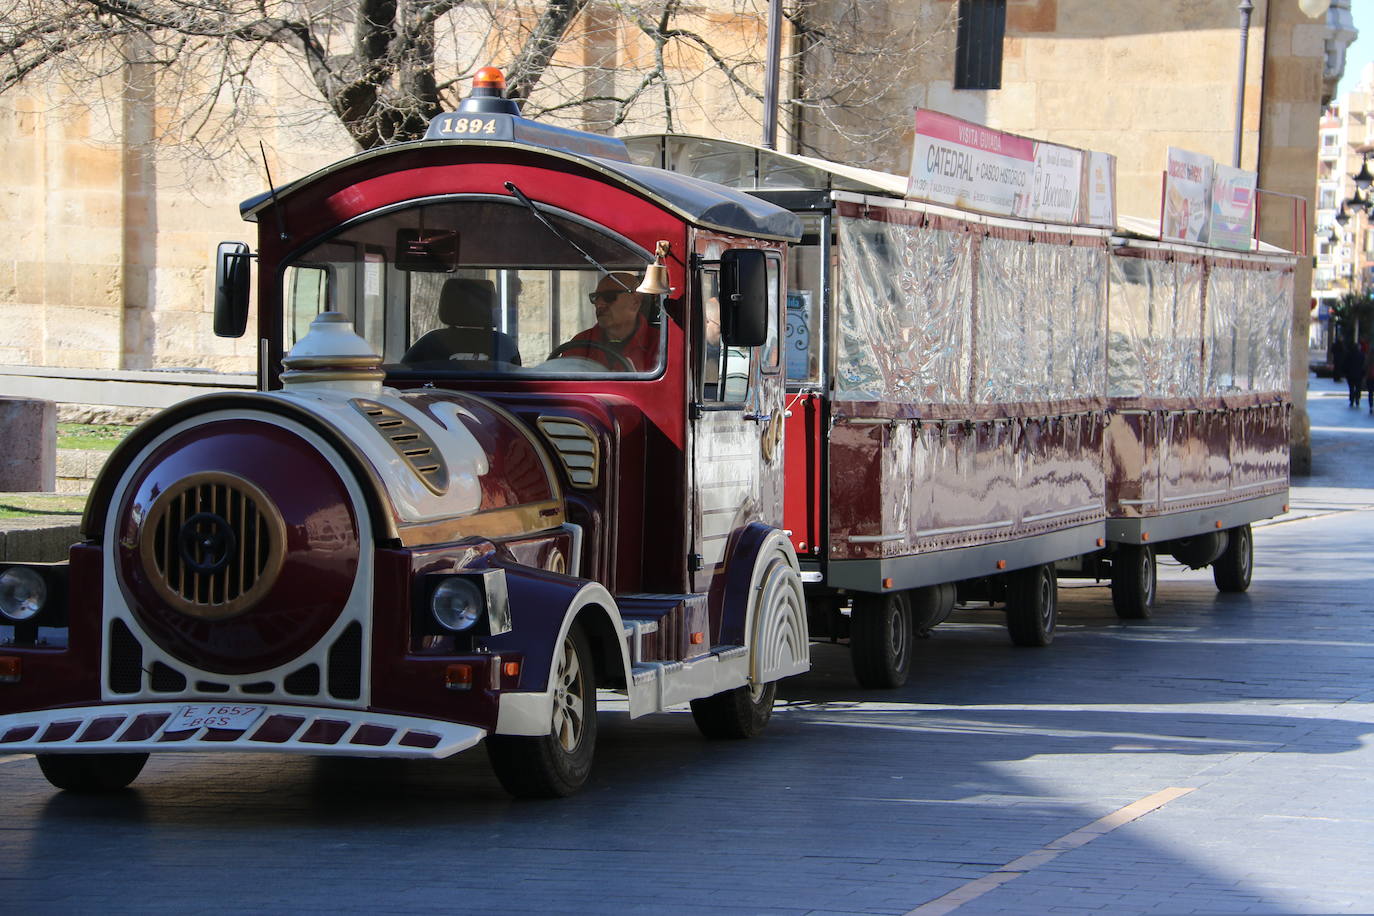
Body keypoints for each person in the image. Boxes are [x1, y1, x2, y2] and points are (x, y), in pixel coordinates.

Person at [558, 271, 659, 371]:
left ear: (635, 302)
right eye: (596, 298)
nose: (599, 304)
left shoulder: (659, 343)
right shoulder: (581, 342)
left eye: (609, 296)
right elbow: (564, 382)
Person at [1343, 339, 1366, 407]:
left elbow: (1345, 364)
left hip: (1350, 375)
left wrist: (1345, 373)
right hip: (1359, 375)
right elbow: (1364, 365)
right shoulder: (1362, 355)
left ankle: (1352, 399)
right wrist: (1363, 373)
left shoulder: (1349, 354)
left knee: (1351, 388)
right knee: (1358, 388)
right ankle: (1357, 399)